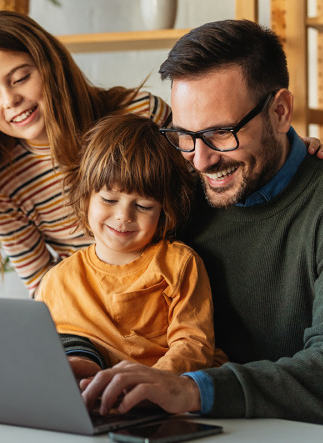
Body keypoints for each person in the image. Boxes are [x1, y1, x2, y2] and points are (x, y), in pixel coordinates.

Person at [79, 19, 323, 427]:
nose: (201, 159)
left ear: (280, 112)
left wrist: (192, 389)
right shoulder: (176, 195)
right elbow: (107, 287)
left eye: (222, 133)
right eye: (185, 135)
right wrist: (78, 356)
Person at [0, 11, 171, 298]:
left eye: (20, 78)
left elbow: (203, 217)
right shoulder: (3, 185)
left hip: (176, 289)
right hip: (90, 312)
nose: (10, 100)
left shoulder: (143, 115)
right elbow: (42, 287)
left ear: (51, 65)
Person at [38, 113, 222, 374]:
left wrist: (154, 384)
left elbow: (193, 345)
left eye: (143, 206)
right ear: (86, 197)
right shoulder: (57, 282)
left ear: (164, 212)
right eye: (109, 200)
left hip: (165, 395)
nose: (124, 216)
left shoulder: (179, 264)